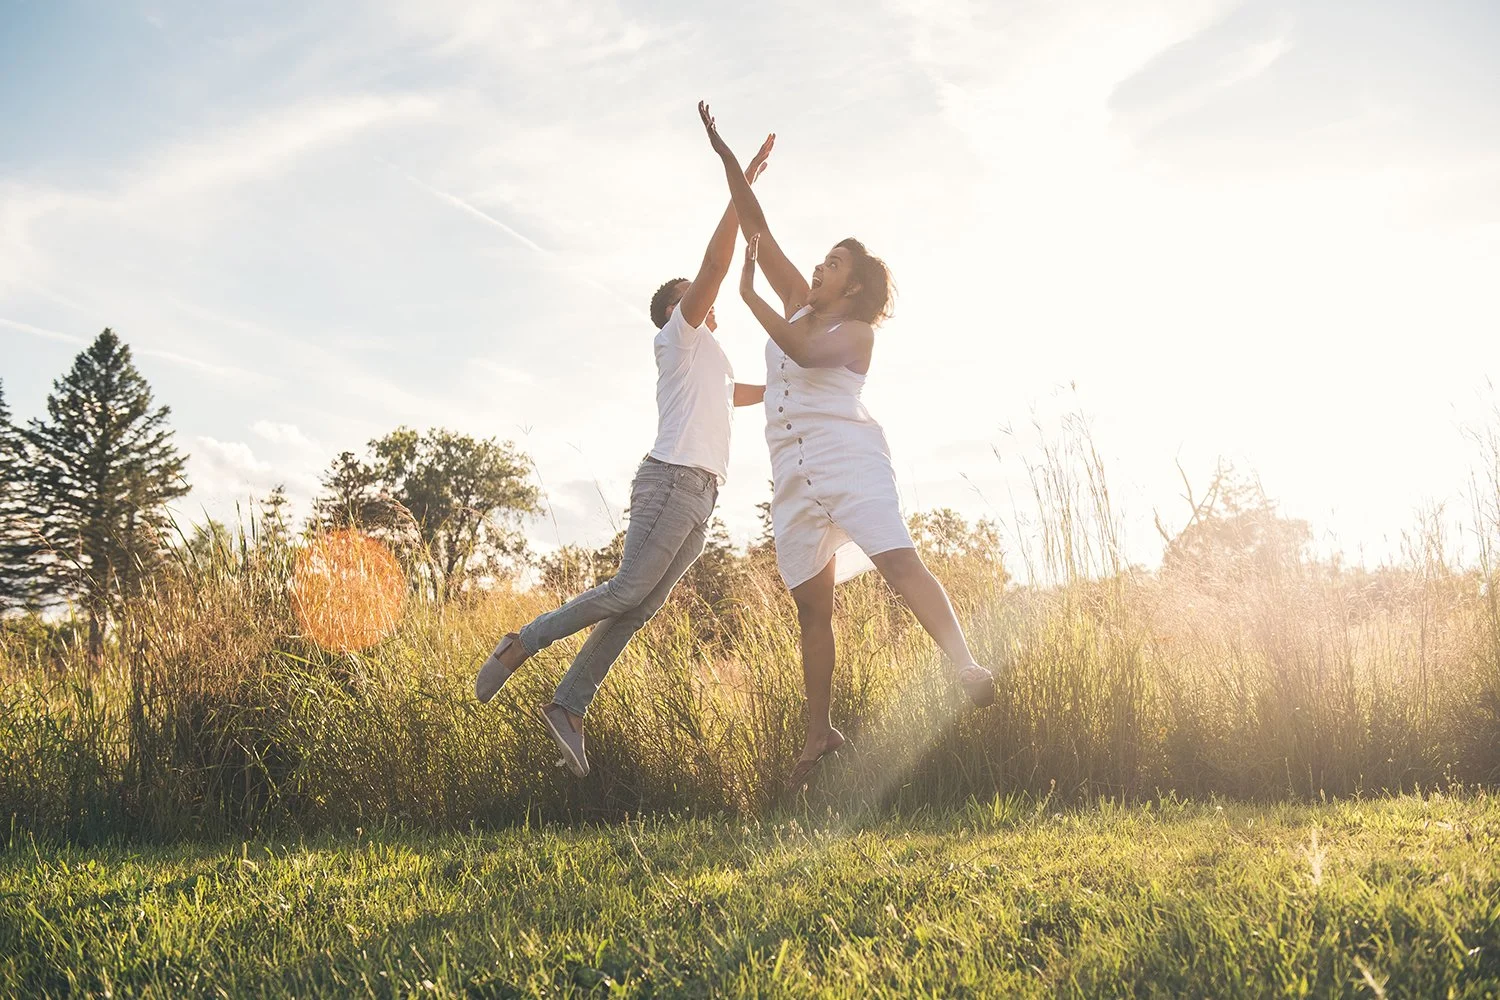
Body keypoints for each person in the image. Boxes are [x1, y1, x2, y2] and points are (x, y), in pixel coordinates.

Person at [699, 102, 996, 790]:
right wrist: (728, 160)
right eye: (823, 259)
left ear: (854, 285)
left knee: (896, 558)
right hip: (792, 476)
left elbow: (800, 348)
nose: (818, 266)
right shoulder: (798, 296)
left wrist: (747, 294)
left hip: (847, 457)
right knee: (812, 606)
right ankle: (818, 733)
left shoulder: (855, 334)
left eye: (832, 263)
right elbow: (755, 224)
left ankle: (963, 663)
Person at [474, 133, 776, 778]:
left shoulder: (713, 364)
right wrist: (738, 184)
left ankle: (568, 706)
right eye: (694, 291)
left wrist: (803, 379)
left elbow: (746, 393)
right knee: (628, 588)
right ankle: (520, 644)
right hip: (670, 482)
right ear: (675, 308)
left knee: (639, 607)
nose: (707, 294)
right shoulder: (679, 339)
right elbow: (717, 266)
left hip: (703, 495)